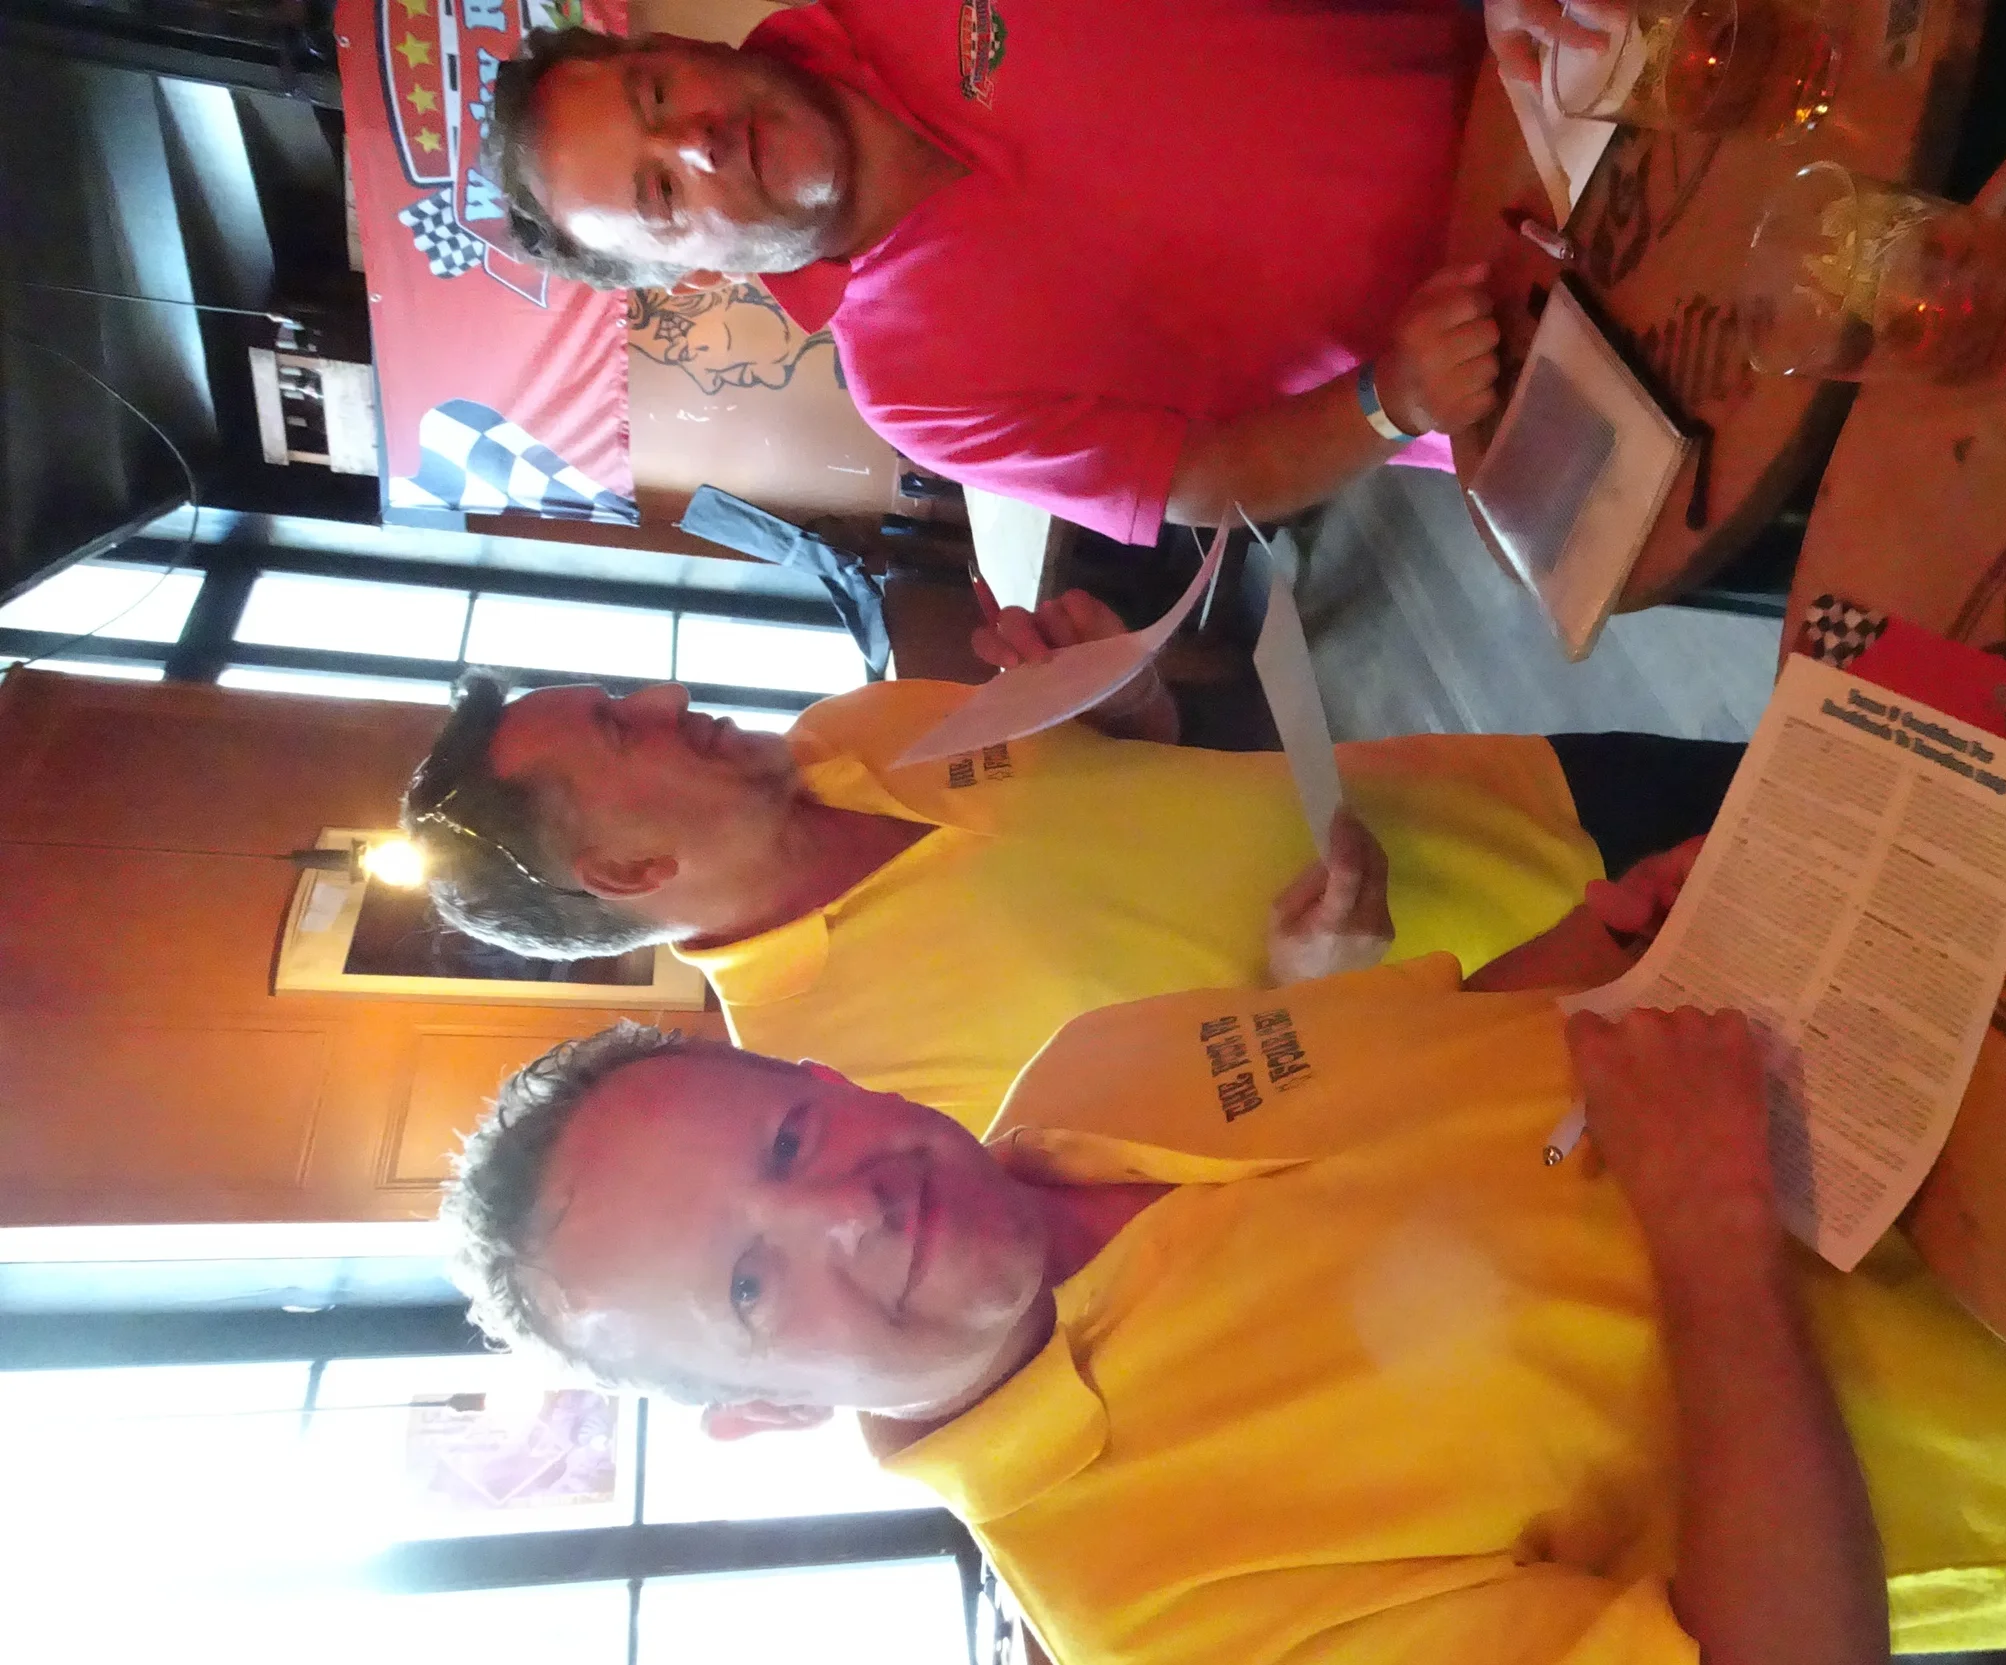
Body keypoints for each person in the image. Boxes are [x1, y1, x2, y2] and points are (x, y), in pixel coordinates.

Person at [439, 937, 2006, 1665]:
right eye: (752, 1278)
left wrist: (1638, 935)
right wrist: (1708, 1237)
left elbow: (1505, 1020)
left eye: (789, 1126)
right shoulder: (1170, 1627)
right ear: (754, 1412)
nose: (844, 1195)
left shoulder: (1093, 1035)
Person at [401, 586, 1746, 1130]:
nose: (659, 695)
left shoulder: (848, 723)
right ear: (629, 870)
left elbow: (1137, 776)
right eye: (619, 728)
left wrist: (1125, 706)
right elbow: (1211, 1181)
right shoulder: (849, 1072)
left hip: (1520, 791)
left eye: (618, 686)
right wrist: (1311, 998)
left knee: (1907, 774)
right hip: (1552, 1014)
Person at [475, 0, 1609, 538]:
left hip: (1575, 60)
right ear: (689, 279)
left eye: (656, 100)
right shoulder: (917, 395)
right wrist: (1388, 399)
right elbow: (1202, 477)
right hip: (1540, 361)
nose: (697, 143)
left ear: (678, 49)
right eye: (660, 194)